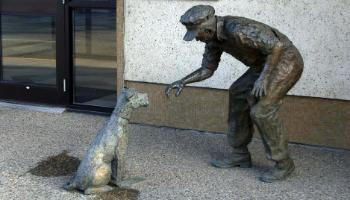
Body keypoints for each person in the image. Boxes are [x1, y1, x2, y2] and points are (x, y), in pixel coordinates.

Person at [165, 5, 304, 182]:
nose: (196, 40)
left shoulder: (237, 29)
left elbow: (277, 46)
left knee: (262, 111)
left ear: (206, 28)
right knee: (238, 93)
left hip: (285, 61)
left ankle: (284, 163)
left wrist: (264, 78)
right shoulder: (213, 40)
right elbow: (207, 69)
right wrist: (183, 81)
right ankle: (240, 154)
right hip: (262, 66)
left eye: (196, 35)